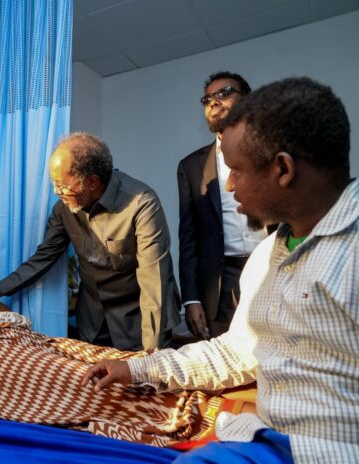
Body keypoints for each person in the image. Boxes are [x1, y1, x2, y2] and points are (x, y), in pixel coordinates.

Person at [82, 77, 358, 463]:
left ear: (283, 169)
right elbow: (236, 352)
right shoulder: (269, 255)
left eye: (237, 171)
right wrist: (138, 368)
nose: (228, 186)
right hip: (269, 438)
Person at [0, 231, 239, 447]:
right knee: (85, 380)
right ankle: (206, 416)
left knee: (113, 361)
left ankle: (209, 390)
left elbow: (2, 313)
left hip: (19, 336)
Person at [0, 132, 181, 350]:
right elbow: (43, 257)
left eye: (62, 185)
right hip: (93, 322)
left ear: (92, 182)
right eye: (53, 183)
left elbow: (153, 282)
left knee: (144, 371)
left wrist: (152, 354)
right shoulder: (64, 209)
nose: (56, 192)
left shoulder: (141, 204)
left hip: (139, 320)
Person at [177, 71, 268, 340]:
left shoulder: (274, 148)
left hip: (272, 268)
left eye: (224, 93)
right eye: (207, 99)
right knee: (224, 355)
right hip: (221, 283)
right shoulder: (191, 167)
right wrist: (191, 298)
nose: (214, 101)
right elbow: (189, 236)